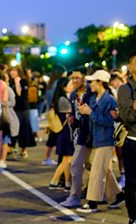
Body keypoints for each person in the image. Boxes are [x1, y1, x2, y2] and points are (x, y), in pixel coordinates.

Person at [77, 70, 124, 213]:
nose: (90, 84)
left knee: (97, 170)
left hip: (106, 139)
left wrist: (90, 113)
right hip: (96, 139)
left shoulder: (109, 100)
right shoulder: (93, 99)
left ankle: (92, 202)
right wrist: (84, 112)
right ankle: (119, 194)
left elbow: (109, 122)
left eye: (92, 81)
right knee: (104, 169)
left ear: (100, 82)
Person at [60, 66, 93, 208]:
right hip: (78, 134)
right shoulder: (73, 95)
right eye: (72, 78)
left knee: (76, 165)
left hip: (90, 134)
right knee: (93, 166)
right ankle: (115, 192)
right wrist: (72, 118)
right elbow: (74, 112)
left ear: (84, 78)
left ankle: (75, 197)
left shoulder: (91, 92)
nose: (73, 80)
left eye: (76, 78)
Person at [118, 53, 136, 224]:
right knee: (132, 181)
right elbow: (126, 116)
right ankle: (133, 216)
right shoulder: (125, 89)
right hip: (132, 141)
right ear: (130, 67)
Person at [48, 78, 74, 191]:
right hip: (66, 132)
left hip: (62, 132)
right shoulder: (63, 100)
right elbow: (68, 117)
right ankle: (54, 181)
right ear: (64, 87)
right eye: (70, 84)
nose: (72, 85)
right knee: (67, 159)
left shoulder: (58, 98)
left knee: (66, 159)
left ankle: (67, 183)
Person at [9, 65, 36, 158]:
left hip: (23, 109)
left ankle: (24, 150)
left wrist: (17, 83)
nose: (12, 73)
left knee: (23, 129)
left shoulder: (23, 81)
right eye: (11, 71)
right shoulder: (10, 81)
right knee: (12, 128)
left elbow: (20, 95)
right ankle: (11, 147)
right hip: (13, 108)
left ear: (18, 72)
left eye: (14, 71)